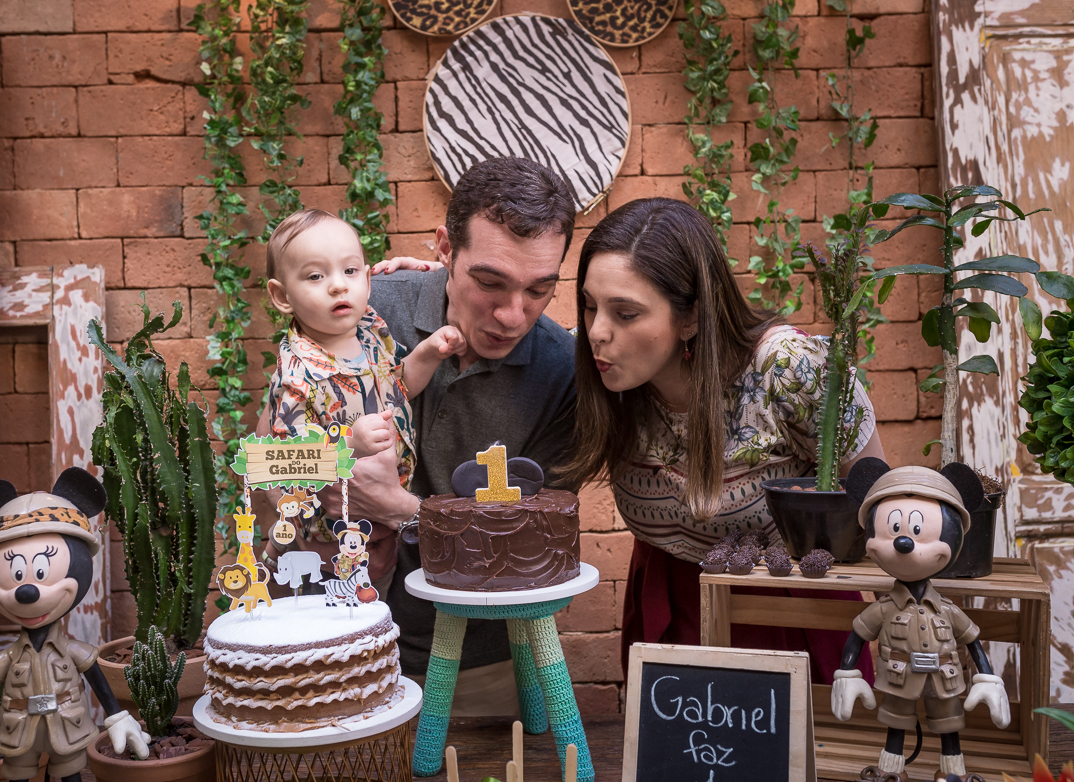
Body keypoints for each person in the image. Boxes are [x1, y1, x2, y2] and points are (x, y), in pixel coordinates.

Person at [265, 156, 579, 715]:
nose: (512, 315)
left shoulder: (563, 372)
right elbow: (268, 462)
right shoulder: (365, 307)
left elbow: (532, 551)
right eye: (489, 282)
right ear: (444, 248)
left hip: (478, 675)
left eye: (539, 290)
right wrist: (332, 478)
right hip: (328, 648)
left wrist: (403, 507)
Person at [560, 197, 884, 684]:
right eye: (589, 306)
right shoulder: (603, 376)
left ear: (690, 317)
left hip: (788, 605)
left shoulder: (788, 368)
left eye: (625, 314)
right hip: (666, 601)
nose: (596, 332)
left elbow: (880, 500)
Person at [261, 208, 465, 547]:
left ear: (368, 281)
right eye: (315, 277)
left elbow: (400, 386)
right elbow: (287, 461)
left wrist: (428, 352)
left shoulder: (371, 333)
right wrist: (347, 443)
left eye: (350, 270)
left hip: (386, 517)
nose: (338, 285)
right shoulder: (296, 376)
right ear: (283, 297)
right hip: (332, 532)